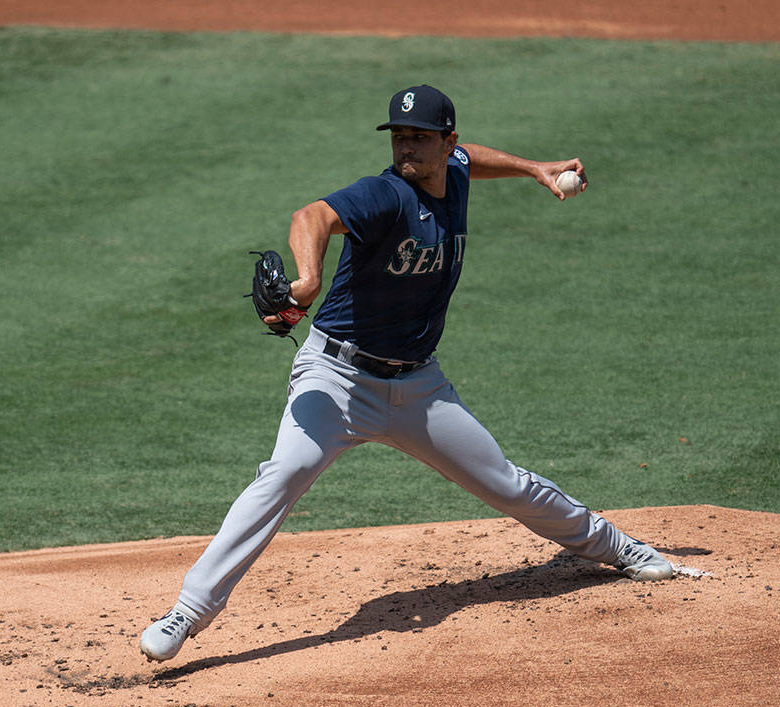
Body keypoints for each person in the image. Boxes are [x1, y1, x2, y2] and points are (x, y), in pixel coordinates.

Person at [140, 84, 672, 662]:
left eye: (419, 136)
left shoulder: (457, 169)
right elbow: (312, 215)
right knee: (282, 474)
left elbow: (474, 158)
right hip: (336, 378)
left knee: (504, 484)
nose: (406, 147)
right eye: (399, 136)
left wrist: (532, 169)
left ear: (446, 142)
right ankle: (188, 612)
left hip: (418, 386)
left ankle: (617, 548)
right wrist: (309, 280)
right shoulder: (385, 196)